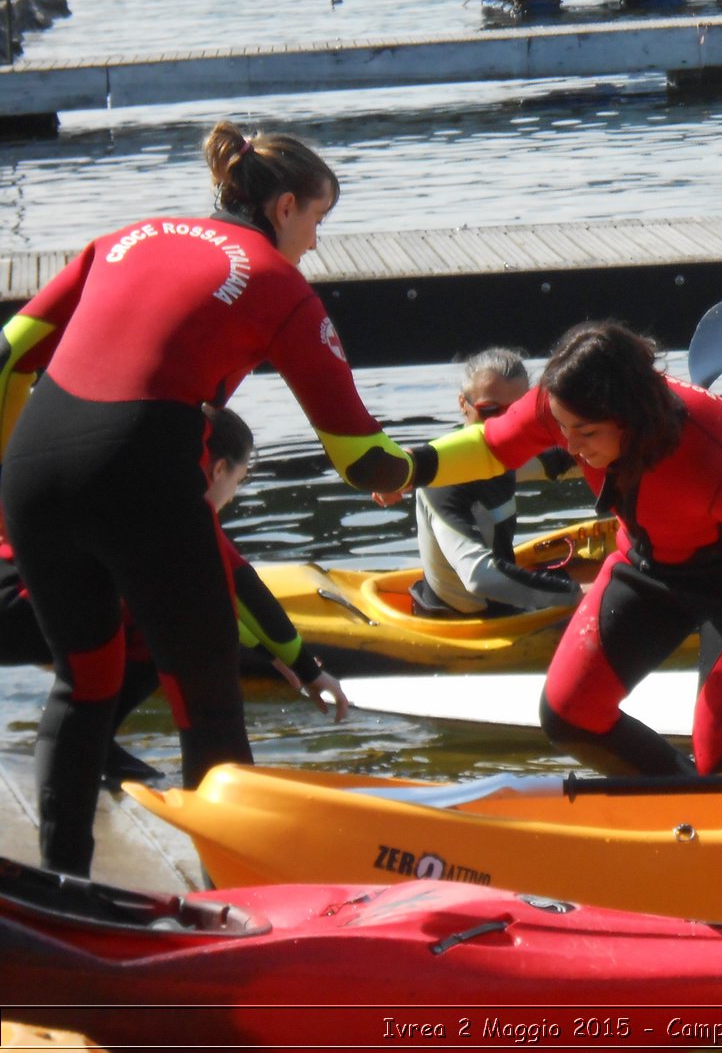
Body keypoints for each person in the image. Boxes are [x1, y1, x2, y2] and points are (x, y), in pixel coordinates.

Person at [0, 120, 415, 876]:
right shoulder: (279, 283)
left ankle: (64, 889)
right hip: (140, 471)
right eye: (318, 220)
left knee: (84, 683)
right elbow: (362, 460)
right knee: (206, 696)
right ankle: (238, 898)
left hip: (31, 471)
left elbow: (7, 357)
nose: (315, 243)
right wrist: (421, 469)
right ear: (284, 206)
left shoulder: (122, 238)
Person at [381, 319, 722, 775]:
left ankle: (717, 806)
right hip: (649, 565)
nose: (570, 446)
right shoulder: (564, 400)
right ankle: (683, 804)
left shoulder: (716, 456)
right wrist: (409, 466)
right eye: (562, 430)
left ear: (630, 417)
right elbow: (491, 447)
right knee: (569, 714)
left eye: (584, 433)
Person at [0, 405, 349, 789]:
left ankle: (94, 741)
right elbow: (243, 590)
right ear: (218, 470)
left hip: (19, 600)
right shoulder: (178, 507)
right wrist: (309, 671)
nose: (234, 495)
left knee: (160, 605)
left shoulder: (136, 479)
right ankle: (93, 745)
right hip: (15, 605)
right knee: (163, 623)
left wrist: (270, 655)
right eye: (240, 479)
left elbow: (214, 599)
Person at [412, 347, 581, 618]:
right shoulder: (442, 480)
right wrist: (577, 595)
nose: (505, 425)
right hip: (466, 621)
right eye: (489, 410)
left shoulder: (508, 454)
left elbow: (570, 462)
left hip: (504, 603)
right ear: (462, 404)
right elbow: (478, 577)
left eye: (516, 411)